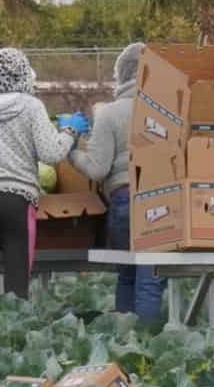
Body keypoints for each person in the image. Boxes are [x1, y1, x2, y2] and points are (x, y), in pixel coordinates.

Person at [0, 48, 80, 306]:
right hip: (16, 201)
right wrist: (71, 131)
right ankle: (13, 342)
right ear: (23, 72)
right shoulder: (31, 106)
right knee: (17, 287)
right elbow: (51, 153)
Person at [67, 42, 165, 322]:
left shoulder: (109, 113)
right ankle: (148, 343)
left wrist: (72, 152)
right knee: (151, 276)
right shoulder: (167, 110)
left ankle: (124, 338)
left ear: (121, 74)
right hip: (161, 200)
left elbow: (97, 169)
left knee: (127, 272)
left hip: (123, 200)